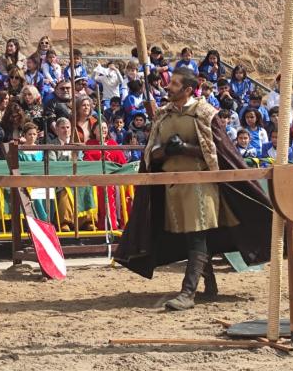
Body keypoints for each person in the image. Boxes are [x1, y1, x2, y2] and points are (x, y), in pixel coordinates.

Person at [115, 69, 273, 311]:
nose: (168, 88)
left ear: (188, 89)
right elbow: (152, 153)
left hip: (200, 185)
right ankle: (209, 283)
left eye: (175, 84)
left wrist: (186, 148)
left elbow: (217, 152)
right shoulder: (162, 116)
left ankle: (188, 292)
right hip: (173, 185)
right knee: (190, 235)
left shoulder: (205, 114)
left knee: (197, 234)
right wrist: (166, 150)